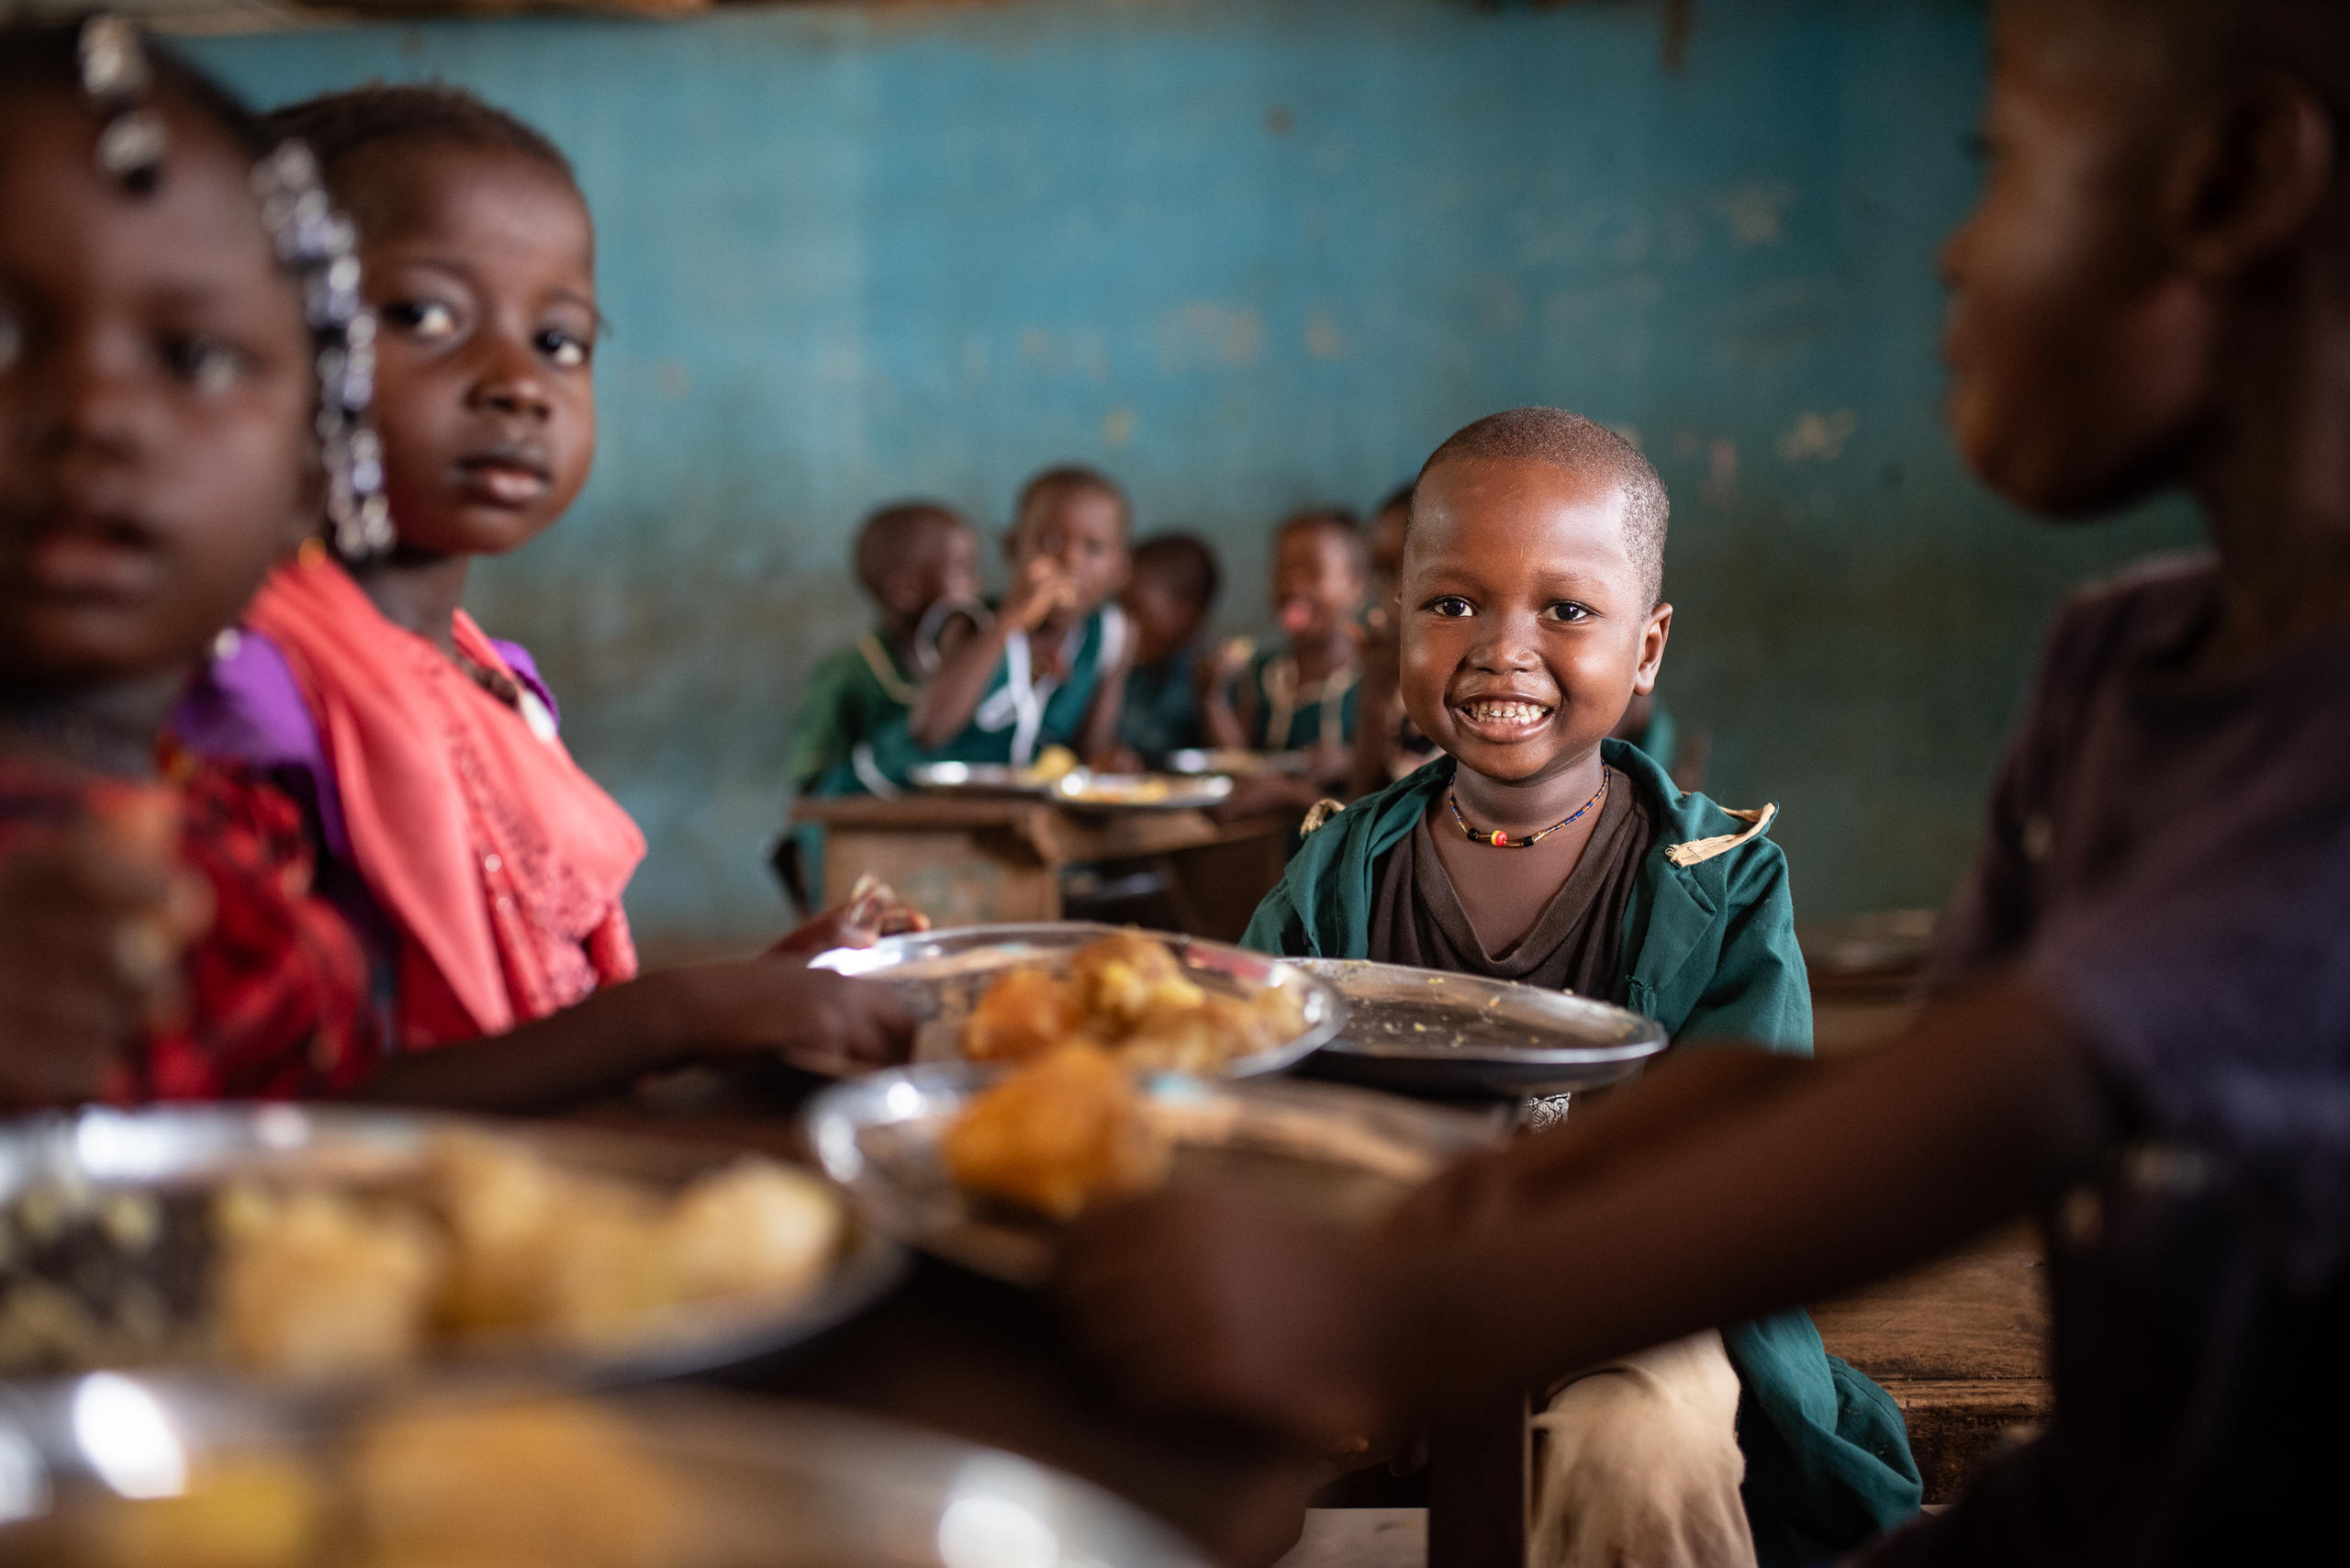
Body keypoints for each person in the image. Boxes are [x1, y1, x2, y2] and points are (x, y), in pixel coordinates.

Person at [1061, 0, 2350, 1562]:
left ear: (2235, 184)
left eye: (1995, 166)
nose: (1947, 252)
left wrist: (1392, 1302)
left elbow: (1986, 1103)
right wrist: (1468, 1197)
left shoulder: (2302, 754)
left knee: (1637, 1438)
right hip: (2118, 1498)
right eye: (1454, 601)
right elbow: (1873, 1083)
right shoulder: (2116, 668)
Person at [0, 23, 904, 1111]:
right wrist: (671, 1021)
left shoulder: (493, 683)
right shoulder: (247, 714)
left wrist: (725, 1012)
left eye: (560, 340)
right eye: (424, 315)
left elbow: (377, 1063)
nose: (518, 383)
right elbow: (293, 1124)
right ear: (317, 404)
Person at [1214, 409, 1918, 1566]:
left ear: (1645, 649)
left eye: (1566, 610)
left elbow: (1738, 1164)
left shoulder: (1718, 883)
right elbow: (1248, 1100)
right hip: (1379, 1286)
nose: (1502, 647)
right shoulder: (1334, 872)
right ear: (1393, 628)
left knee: (1640, 1441)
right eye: (1450, 605)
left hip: (1635, 1299)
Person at [861, 465, 1133, 780]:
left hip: (1002, 811)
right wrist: (1008, 622)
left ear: (1120, 569)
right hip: (896, 798)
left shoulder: (1114, 635)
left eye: (1094, 548)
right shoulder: (971, 622)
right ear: (1013, 547)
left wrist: (1112, 761)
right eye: (1051, 542)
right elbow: (929, 731)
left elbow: (1090, 748)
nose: (1071, 562)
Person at [789, 501, 984, 799]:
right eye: (962, 571)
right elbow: (813, 783)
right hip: (864, 836)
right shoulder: (846, 674)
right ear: (905, 590)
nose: (976, 586)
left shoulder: (970, 666)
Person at [1203, 508, 1366, 773]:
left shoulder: (1372, 679)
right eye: (1282, 571)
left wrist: (1349, 760)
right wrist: (1213, 698)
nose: (1294, 586)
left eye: (1313, 572)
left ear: (1356, 586)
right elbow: (1239, 761)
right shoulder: (1262, 672)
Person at [1107, 532, 1221, 767]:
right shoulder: (1128, 672)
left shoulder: (1211, 678)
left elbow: (1231, 762)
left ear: (1185, 613)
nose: (1122, 622)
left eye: (1134, 608)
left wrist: (1211, 700)